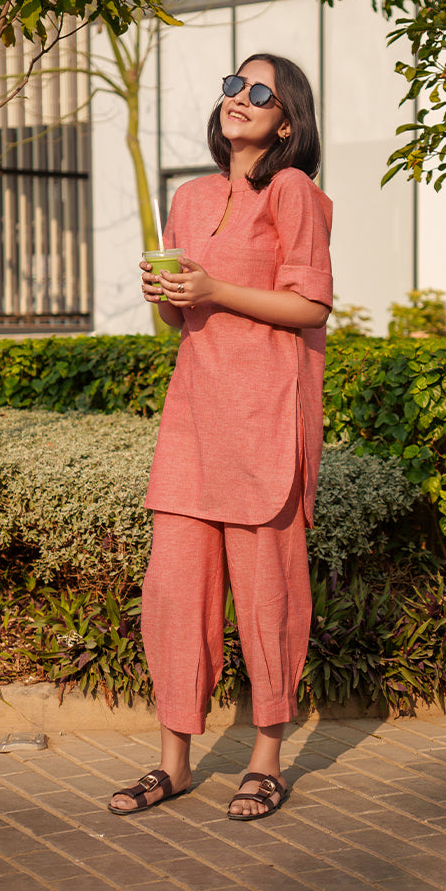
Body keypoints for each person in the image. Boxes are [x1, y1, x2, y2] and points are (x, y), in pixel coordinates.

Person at [108, 53, 333, 821]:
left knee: (266, 594)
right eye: (233, 84)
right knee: (175, 591)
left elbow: (311, 305)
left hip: (265, 417)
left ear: (287, 119)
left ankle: (266, 760)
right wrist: (167, 293)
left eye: (260, 90)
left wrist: (215, 287)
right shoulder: (190, 194)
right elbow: (180, 319)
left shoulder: (294, 191)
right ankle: (172, 762)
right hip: (193, 421)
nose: (239, 96)